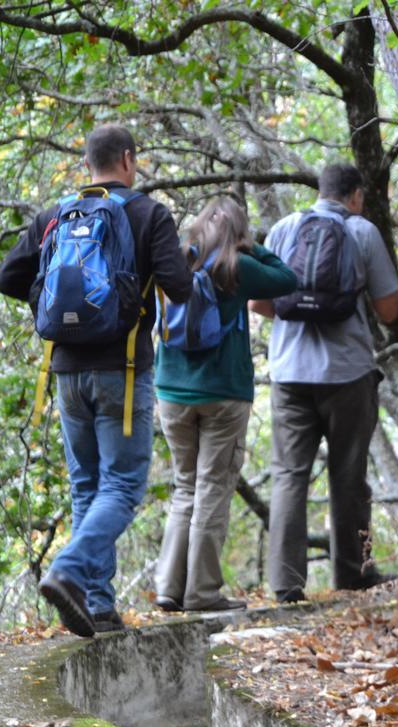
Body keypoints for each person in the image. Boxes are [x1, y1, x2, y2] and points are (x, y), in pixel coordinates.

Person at [0, 124, 192, 637]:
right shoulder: (149, 213)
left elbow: (7, 277)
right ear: (128, 159)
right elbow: (179, 287)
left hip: (65, 371)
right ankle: (71, 570)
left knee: (88, 486)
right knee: (123, 487)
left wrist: (57, 310)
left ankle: (99, 605)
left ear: (88, 163)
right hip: (122, 371)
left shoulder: (55, 216)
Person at [252, 163, 398, 603]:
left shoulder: (283, 229)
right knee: (349, 476)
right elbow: (390, 309)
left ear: (320, 191)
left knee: (288, 476)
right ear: (355, 196)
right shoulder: (362, 232)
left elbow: (259, 301)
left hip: (289, 374)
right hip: (348, 373)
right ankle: (352, 575)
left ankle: (285, 585)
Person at [152, 196, 299, 613]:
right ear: (238, 230)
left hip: (172, 393)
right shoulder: (240, 266)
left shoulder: (178, 260)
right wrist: (251, 245)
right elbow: (287, 278)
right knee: (213, 488)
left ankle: (169, 587)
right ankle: (202, 592)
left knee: (185, 486)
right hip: (223, 393)